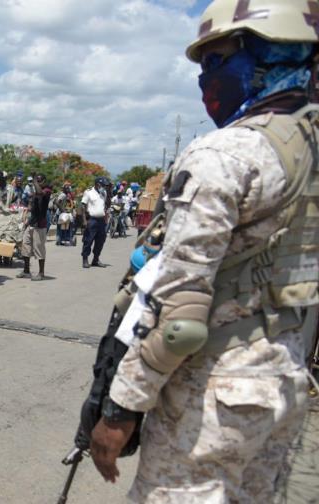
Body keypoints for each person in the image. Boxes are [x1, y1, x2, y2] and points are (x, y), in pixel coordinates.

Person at [90, 3, 319, 502]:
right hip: (283, 382)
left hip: (214, 396)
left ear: (262, 54)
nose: (204, 80)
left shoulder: (227, 154)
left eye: (214, 62)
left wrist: (119, 411)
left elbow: (181, 318)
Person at [17, 174, 51, 281]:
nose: (37, 182)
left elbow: (40, 193)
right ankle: (26, 271)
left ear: (44, 181)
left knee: (39, 249)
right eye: (37, 180)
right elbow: (31, 206)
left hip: (40, 225)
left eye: (40, 180)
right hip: (32, 223)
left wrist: (35, 181)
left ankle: (41, 273)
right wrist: (27, 220)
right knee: (25, 246)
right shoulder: (35, 192)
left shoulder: (47, 190)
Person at [81, 177, 109, 268]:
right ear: (97, 184)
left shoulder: (104, 193)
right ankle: (85, 260)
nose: (104, 187)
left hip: (101, 220)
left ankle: (96, 260)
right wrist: (84, 220)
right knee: (88, 240)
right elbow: (82, 206)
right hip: (92, 220)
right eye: (103, 185)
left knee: (100, 241)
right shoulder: (88, 192)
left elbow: (105, 205)